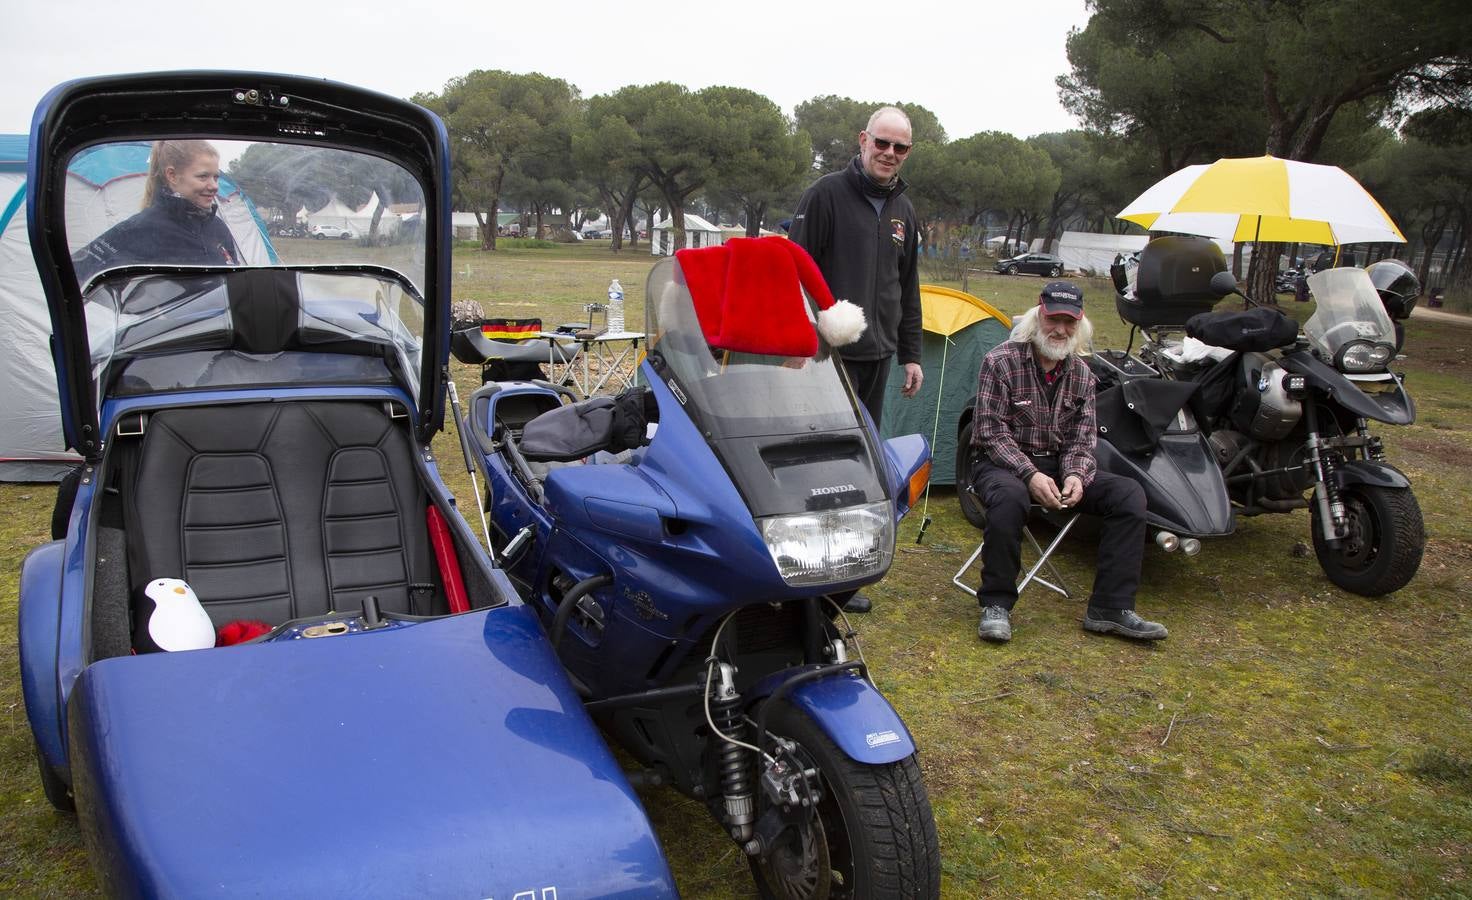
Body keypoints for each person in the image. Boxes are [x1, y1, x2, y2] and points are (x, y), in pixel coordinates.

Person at [968, 281, 1167, 643]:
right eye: (1053, 319)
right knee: (1011, 498)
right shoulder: (999, 362)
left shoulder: (1083, 375)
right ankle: (995, 603)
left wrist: (1076, 473)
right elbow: (990, 433)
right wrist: (1029, 475)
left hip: (1058, 465)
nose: (1060, 329)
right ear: (1037, 316)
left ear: (1080, 325)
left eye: (1069, 322)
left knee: (1128, 494)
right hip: (1000, 465)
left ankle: (1110, 608)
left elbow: (1082, 438)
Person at [790, 106, 924, 614]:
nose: (889, 154)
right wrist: (799, 344)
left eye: (901, 147)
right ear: (863, 140)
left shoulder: (903, 211)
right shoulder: (824, 195)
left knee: (859, 464)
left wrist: (910, 353)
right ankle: (806, 568)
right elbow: (794, 275)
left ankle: (845, 571)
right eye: (882, 143)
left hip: (879, 356)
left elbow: (906, 287)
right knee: (817, 462)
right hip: (826, 357)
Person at [73, 140, 243, 284]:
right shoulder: (138, 229)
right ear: (172, 176)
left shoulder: (218, 228)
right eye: (203, 176)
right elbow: (76, 272)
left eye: (216, 177)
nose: (214, 186)